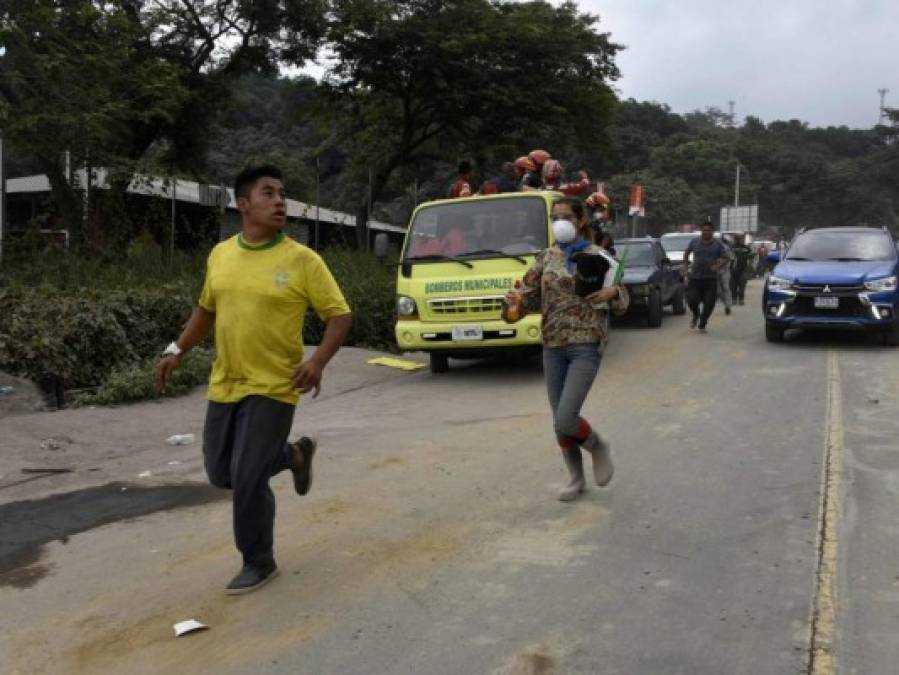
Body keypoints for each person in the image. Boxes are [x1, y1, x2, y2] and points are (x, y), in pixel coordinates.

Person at [154, 165, 353, 595]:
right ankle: (294, 456)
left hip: (276, 385)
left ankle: (258, 560)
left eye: (283, 193)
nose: (280, 201)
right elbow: (205, 310)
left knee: (247, 477)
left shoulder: (303, 260)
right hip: (226, 382)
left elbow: (339, 315)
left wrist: (317, 362)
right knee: (220, 471)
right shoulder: (221, 255)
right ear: (243, 204)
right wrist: (176, 351)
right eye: (268, 193)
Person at [506, 197, 629, 502]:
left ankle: (598, 446)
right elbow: (529, 298)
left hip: (586, 343)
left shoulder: (599, 256)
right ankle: (576, 478)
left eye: (566, 217)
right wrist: (513, 305)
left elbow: (623, 301)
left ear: (581, 221)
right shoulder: (545, 258)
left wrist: (613, 291)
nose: (560, 222)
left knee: (566, 416)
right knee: (559, 419)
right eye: (554, 217)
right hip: (552, 345)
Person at [683, 220, 728, 332]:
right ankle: (696, 314)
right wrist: (685, 267)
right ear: (701, 231)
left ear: (712, 232)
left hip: (710, 279)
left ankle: (702, 323)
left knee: (709, 304)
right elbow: (687, 253)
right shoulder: (694, 242)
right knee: (691, 299)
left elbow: (726, 257)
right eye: (703, 230)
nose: (706, 232)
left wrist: (717, 266)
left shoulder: (718, 244)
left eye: (708, 230)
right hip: (695, 277)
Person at [730, 234, 753, 305]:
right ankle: (734, 299)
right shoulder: (731, 248)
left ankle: (741, 299)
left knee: (742, 286)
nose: (738, 240)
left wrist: (749, 267)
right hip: (732, 270)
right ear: (734, 240)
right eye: (736, 239)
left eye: (739, 239)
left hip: (743, 270)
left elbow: (751, 257)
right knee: (733, 286)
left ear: (742, 240)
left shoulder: (746, 248)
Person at [716, 235, 735, 315]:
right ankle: (726, 303)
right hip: (715, 271)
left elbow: (730, 258)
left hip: (725, 271)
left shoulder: (727, 248)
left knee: (726, 287)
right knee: (718, 291)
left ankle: (728, 306)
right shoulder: (714, 248)